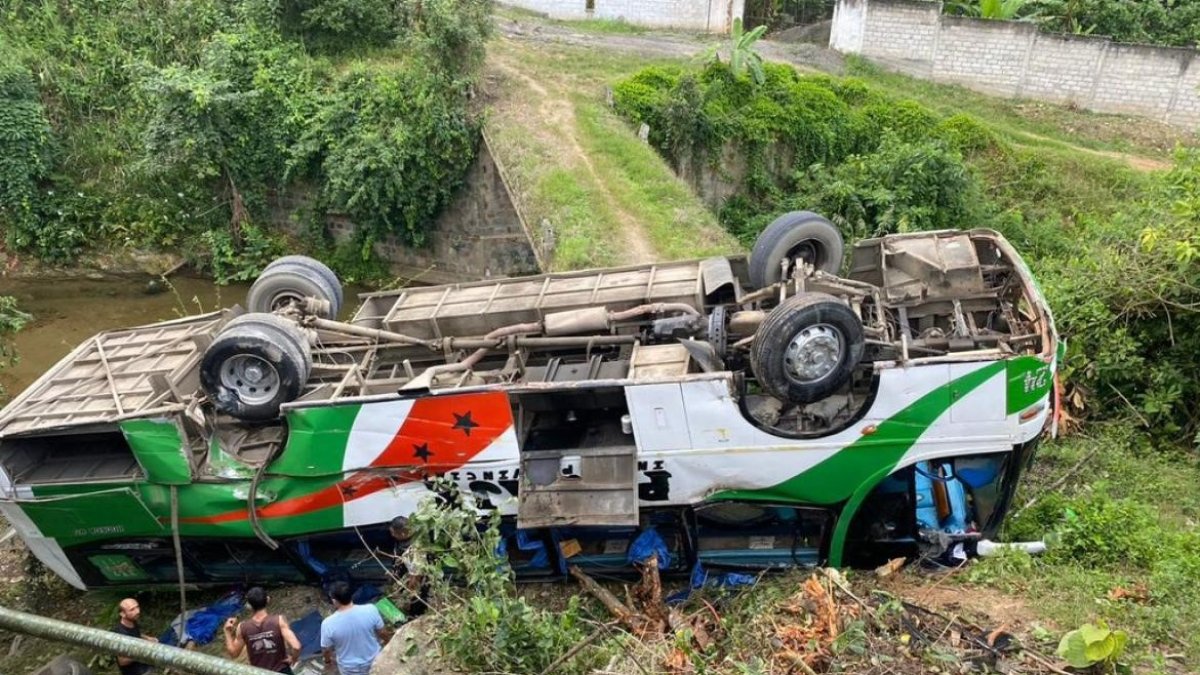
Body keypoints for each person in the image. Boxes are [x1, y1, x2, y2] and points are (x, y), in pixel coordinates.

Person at [223, 587, 302, 674]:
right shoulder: (279, 621)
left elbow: (233, 653)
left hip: (259, 672)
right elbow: (296, 646)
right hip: (281, 671)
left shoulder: (243, 627)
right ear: (267, 600)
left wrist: (227, 632)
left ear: (249, 606)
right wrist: (293, 659)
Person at [320, 581, 390, 675]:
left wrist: (328, 662)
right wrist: (387, 643)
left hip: (350, 668)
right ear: (351, 595)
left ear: (334, 600)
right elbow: (382, 633)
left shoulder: (327, 624)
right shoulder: (371, 609)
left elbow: (326, 650)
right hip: (374, 660)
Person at [388, 516, 429, 618]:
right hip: (403, 577)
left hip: (414, 582)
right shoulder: (405, 539)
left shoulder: (413, 549)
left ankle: (408, 620)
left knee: (414, 605)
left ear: (402, 533)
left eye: (393, 532)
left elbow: (415, 575)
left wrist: (408, 594)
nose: (392, 534)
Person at [112, 598, 156, 675]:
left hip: (144, 666)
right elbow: (123, 661)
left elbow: (136, 634)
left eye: (137, 607)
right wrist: (145, 650)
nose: (137, 611)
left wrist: (148, 638)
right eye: (132, 609)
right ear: (122, 614)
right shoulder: (120, 634)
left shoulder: (132, 620)